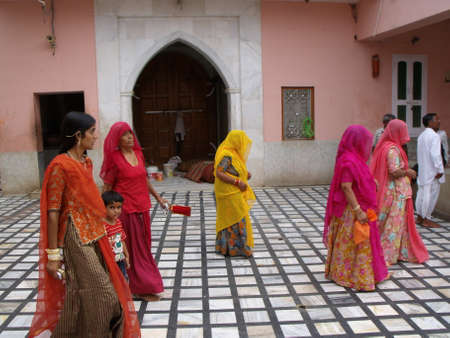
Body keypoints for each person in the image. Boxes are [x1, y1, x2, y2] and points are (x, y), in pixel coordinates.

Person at [29, 112, 140, 337]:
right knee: (104, 293)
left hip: (94, 233)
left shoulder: (85, 162)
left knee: (82, 292)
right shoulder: (60, 166)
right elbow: (53, 212)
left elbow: (91, 202)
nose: (95, 137)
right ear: (78, 135)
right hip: (74, 236)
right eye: (92, 132)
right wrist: (52, 256)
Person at [101, 122, 166, 301]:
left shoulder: (138, 154)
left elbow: (144, 179)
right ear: (117, 138)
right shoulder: (114, 158)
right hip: (124, 211)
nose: (130, 137)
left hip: (142, 207)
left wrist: (158, 198)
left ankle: (142, 284)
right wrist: (103, 211)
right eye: (125, 134)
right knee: (128, 249)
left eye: (131, 133)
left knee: (143, 248)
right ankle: (135, 287)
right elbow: (107, 186)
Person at [324, 125, 388, 291]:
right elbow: (346, 187)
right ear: (357, 141)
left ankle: (360, 272)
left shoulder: (355, 158)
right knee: (356, 240)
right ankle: (351, 275)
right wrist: (358, 210)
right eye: (365, 142)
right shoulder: (348, 160)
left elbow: (360, 177)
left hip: (360, 206)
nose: (367, 146)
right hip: (352, 210)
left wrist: (370, 181)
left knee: (360, 242)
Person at [370, 119, 428, 265]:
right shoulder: (392, 150)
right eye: (402, 130)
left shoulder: (386, 147)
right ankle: (387, 253)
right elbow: (394, 171)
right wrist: (408, 172)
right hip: (396, 192)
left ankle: (395, 250)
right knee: (394, 223)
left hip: (394, 190)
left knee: (392, 222)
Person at [214, 130, 255, 257]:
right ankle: (237, 248)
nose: (243, 145)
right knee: (237, 215)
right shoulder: (226, 154)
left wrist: (244, 175)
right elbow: (219, 173)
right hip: (227, 191)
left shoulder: (235, 154)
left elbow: (233, 170)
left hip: (233, 190)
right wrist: (237, 181)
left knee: (235, 216)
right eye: (241, 141)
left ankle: (230, 248)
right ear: (235, 141)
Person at [416, 113, 445, 228]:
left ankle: (419, 217)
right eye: (436, 119)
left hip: (423, 170)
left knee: (421, 193)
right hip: (432, 171)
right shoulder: (434, 136)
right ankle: (426, 218)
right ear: (430, 122)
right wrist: (440, 169)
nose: (439, 121)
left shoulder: (421, 136)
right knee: (430, 194)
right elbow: (436, 155)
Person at [102, 190, 130, 281]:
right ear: (103, 207)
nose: (116, 211)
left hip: (120, 259)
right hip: (108, 262)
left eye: (119, 207)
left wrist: (126, 256)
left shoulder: (118, 222)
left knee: (123, 279)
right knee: (112, 282)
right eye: (112, 207)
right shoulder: (102, 225)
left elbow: (122, 240)